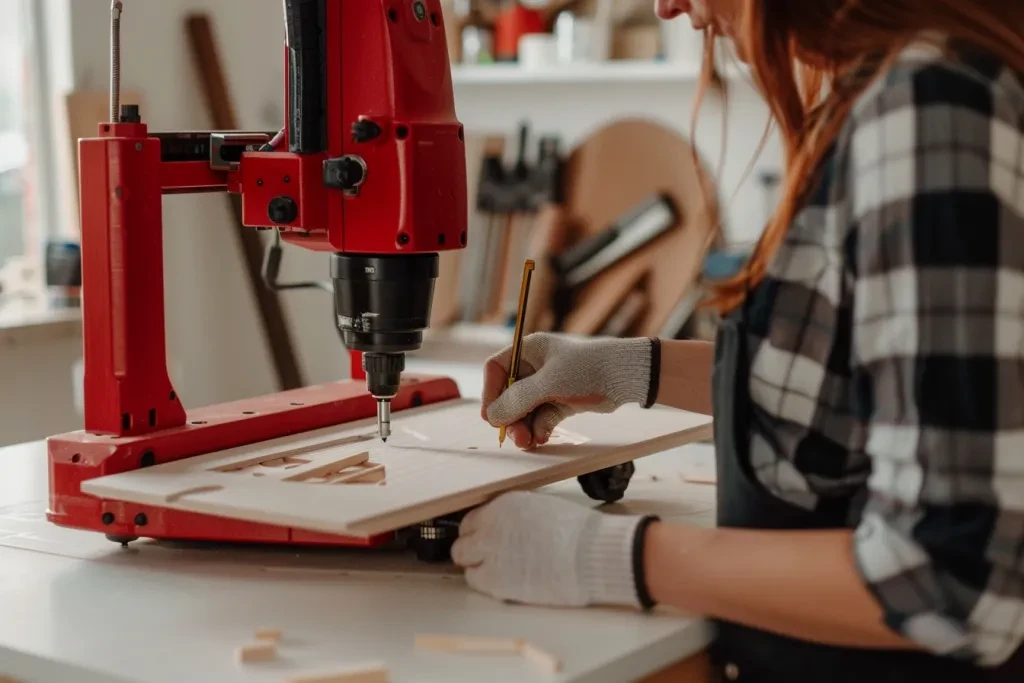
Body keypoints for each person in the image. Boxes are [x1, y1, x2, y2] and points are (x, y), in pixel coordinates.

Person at [448, 1, 1024, 681]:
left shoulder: (927, 110)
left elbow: (949, 582)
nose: (667, 5)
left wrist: (610, 554)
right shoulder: (884, 95)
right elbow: (847, 378)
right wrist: (626, 368)